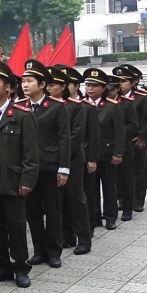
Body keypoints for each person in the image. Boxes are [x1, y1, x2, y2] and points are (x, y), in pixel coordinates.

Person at [0, 60, 39, 289]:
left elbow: (31, 152)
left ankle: (21, 268)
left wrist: (27, 179)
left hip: (13, 181)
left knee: (16, 225)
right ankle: (1, 266)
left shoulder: (22, 115)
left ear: (8, 87)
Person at [20, 60, 71, 269]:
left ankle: (53, 251)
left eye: (29, 81)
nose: (25, 85)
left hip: (50, 166)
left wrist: (64, 168)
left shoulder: (57, 107)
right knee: (32, 211)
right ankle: (39, 250)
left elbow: (64, 139)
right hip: (28, 169)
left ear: (42, 85)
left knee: (52, 210)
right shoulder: (20, 106)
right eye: (23, 81)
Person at [53, 65, 99, 254]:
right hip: (54, 160)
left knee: (76, 197)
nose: (49, 87)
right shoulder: (51, 106)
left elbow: (76, 135)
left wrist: (60, 154)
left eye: (54, 84)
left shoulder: (77, 107)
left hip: (72, 159)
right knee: (60, 200)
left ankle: (84, 238)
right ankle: (67, 235)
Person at [83, 69, 125, 231]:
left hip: (107, 153)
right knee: (90, 187)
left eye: (94, 86)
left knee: (108, 186)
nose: (90, 89)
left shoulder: (111, 106)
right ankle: (93, 217)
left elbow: (119, 132)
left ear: (103, 88)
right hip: (88, 154)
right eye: (88, 85)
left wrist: (117, 153)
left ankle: (110, 217)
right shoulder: (82, 105)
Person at [113, 64, 147, 218]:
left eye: (124, 81)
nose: (120, 84)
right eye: (118, 81)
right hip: (121, 141)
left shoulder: (141, 98)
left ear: (132, 82)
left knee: (139, 169)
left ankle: (138, 199)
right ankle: (122, 198)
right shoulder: (114, 98)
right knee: (120, 172)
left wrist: (143, 136)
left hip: (138, 140)